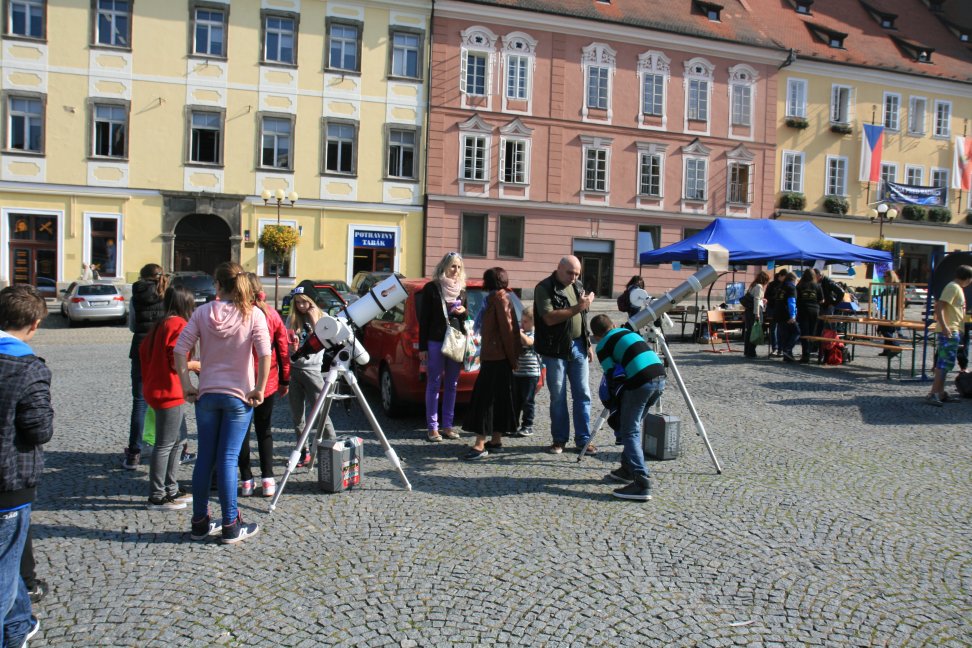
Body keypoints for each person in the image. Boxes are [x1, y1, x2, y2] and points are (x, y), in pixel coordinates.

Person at [174, 262, 270, 545]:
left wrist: (186, 387)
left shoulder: (203, 313)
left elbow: (181, 350)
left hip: (207, 394)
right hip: (238, 395)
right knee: (228, 459)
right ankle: (230, 522)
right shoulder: (252, 314)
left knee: (205, 457)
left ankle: (200, 521)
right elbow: (265, 353)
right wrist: (260, 388)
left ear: (217, 284)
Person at [0, 285, 51, 645]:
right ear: (33, 325)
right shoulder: (28, 367)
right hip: (9, 479)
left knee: (9, 557)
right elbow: (39, 429)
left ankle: (18, 623)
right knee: (4, 566)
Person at [590, 314, 665, 502]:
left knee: (629, 429)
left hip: (640, 382)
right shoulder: (627, 331)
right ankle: (627, 468)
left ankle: (642, 482)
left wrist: (613, 403)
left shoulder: (602, 346)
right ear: (613, 325)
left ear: (596, 336)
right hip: (659, 377)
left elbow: (611, 375)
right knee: (634, 424)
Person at [139, 285, 198, 510]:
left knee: (179, 441)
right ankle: (157, 494)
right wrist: (197, 365)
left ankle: (171, 488)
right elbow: (177, 360)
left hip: (157, 390)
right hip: (169, 392)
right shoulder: (178, 325)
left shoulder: (159, 325)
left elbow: (145, 353)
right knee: (166, 444)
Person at [534, 256, 596, 455]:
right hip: (555, 349)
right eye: (570, 272)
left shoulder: (577, 285)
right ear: (559, 268)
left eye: (577, 273)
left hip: (578, 345)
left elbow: (583, 317)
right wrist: (579, 307)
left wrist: (587, 342)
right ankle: (559, 439)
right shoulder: (544, 287)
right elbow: (549, 318)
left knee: (583, 394)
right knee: (558, 396)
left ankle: (583, 440)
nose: (574, 277)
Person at [238, 274, 290, 498]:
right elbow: (283, 348)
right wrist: (285, 379)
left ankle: (247, 480)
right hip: (266, 380)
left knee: (242, 433)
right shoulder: (271, 313)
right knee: (264, 430)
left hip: (241, 380)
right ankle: (268, 479)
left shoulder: (239, 313)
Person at [462, 268, 520, 460]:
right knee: (499, 399)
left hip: (497, 358)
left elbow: (507, 330)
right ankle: (495, 440)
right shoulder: (496, 298)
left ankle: (480, 445)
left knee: (484, 400)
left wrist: (513, 359)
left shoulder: (499, 299)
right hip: (497, 357)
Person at [418, 252, 468, 442]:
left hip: (455, 341)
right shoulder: (432, 288)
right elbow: (424, 320)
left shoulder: (462, 290)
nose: (456, 271)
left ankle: (448, 425)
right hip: (435, 340)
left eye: (459, 267)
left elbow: (466, 318)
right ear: (444, 266)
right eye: (453, 266)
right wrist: (422, 347)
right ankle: (432, 427)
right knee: (434, 383)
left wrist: (463, 312)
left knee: (452, 385)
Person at [124, 264, 169, 470]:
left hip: (140, 348)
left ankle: (134, 452)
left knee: (139, 401)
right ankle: (168, 448)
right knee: (167, 400)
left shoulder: (136, 295)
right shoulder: (166, 293)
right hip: (161, 349)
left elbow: (132, 325)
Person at [286, 287, 334, 468]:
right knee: (297, 415)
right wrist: (291, 348)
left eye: (304, 301)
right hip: (295, 369)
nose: (301, 306)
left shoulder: (322, 318)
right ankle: (302, 450)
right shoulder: (292, 319)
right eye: (297, 302)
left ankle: (332, 446)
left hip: (313, 370)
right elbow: (286, 341)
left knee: (321, 413)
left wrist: (315, 319)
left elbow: (325, 341)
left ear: (312, 301)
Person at [925, 265, 972, 406]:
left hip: (953, 329)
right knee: (943, 364)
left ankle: (941, 393)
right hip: (949, 330)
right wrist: (945, 327)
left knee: (946, 364)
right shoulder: (953, 287)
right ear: (968, 278)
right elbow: (939, 306)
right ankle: (934, 394)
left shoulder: (957, 288)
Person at [512, 305, 541, 437]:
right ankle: (513, 424)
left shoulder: (536, 334)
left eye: (525, 321)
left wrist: (518, 331)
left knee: (528, 400)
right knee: (515, 400)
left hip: (531, 373)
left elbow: (529, 342)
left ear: (534, 322)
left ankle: (527, 425)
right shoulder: (521, 333)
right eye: (521, 321)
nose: (522, 324)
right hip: (517, 372)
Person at [796, 269, 823, 364]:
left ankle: (805, 355)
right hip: (814, 310)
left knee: (804, 333)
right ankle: (810, 351)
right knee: (812, 332)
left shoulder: (800, 285)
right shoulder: (817, 286)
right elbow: (821, 300)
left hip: (803, 310)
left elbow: (796, 299)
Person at [742, 271, 770, 359]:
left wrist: (762, 300)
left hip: (749, 311)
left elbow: (756, 299)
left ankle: (747, 351)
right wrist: (757, 313)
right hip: (755, 311)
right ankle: (751, 351)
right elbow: (756, 300)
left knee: (749, 331)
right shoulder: (759, 286)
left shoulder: (753, 285)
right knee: (755, 331)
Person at [774, 271, 800, 363]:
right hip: (787, 314)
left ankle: (787, 356)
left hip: (778, 313)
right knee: (797, 332)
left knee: (785, 335)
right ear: (793, 279)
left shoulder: (780, 287)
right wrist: (792, 315)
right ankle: (788, 350)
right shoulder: (791, 287)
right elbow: (791, 302)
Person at [876, 270, 903, 356]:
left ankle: (896, 345)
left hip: (894, 312)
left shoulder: (897, 287)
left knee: (885, 330)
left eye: (885, 276)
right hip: (887, 311)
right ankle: (887, 350)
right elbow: (883, 297)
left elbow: (899, 300)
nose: (884, 278)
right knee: (884, 329)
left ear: (890, 277)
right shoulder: (888, 287)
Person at [763, 269, 787, 357]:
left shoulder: (785, 285)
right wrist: (775, 298)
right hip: (773, 308)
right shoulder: (772, 284)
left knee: (778, 330)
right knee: (774, 329)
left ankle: (778, 349)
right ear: (781, 275)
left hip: (778, 309)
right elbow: (766, 296)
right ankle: (776, 348)